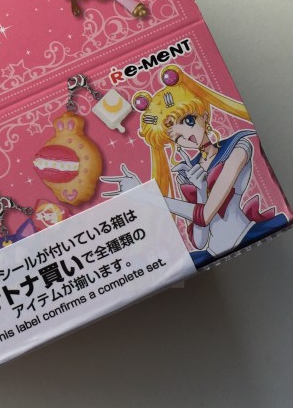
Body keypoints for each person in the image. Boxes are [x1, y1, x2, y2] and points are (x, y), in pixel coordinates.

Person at [101, 65, 287, 268]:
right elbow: (199, 241)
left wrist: (146, 195)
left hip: (246, 234)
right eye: (177, 137)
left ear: (204, 116)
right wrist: (200, 190)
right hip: (210, 253)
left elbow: (205, 215)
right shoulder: (191, 171)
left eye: (188, 121)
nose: (187, 136)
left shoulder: (238, 148)